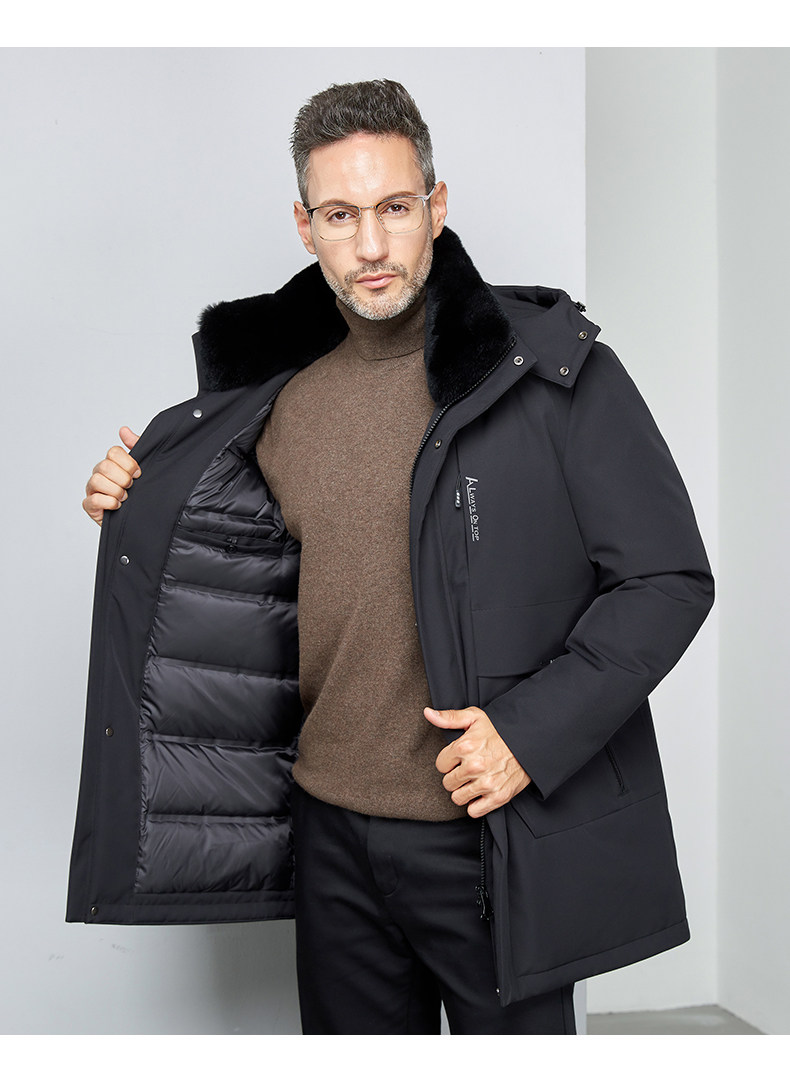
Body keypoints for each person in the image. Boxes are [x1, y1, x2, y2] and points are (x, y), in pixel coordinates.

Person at [68, 79, 714, 1035]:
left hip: (490, 836)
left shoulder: (551, 372)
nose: (371, 245)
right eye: (340, 215)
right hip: (329, 836)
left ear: (436, 207)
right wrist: (137, 504)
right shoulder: (275, 399)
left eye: (395, 208)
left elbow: (669, 579)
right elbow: (241, 575)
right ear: (305, 227)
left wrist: (528, 736)